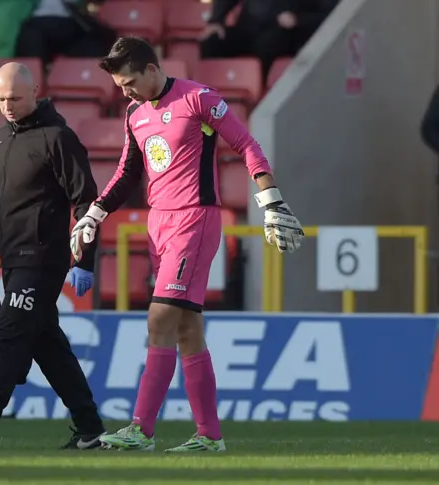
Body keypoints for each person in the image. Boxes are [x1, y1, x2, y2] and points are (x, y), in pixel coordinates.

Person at [70, 37, 304, 452]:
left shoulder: (198, 99)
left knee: (159, 318)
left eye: (128, 82)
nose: (124, 91)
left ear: (151, 69)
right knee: (186, 330)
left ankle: (141, 429)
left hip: (195, 219)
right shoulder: (135, 113)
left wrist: (271, 200)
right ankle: (209, 436)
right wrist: (95, 212)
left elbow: (246, 144)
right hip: (158, 224)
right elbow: (128, 173)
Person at [0, 62, 106, 450]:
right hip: (11, 261)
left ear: (34, 92)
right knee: (48, 345)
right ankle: (90, 427)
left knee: (8, 340)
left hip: (43, 259)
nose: (7, 105)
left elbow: (86, 202)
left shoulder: (58, 138)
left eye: (13, 97)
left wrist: (85, 258)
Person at [200, 0, 338, 83]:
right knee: (212, 42)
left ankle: (256, 101)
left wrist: (298, 20)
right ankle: (205, 100)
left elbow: (330, 13)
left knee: (269, 44)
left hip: (286, 33)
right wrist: (216, 20)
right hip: (248, 28)